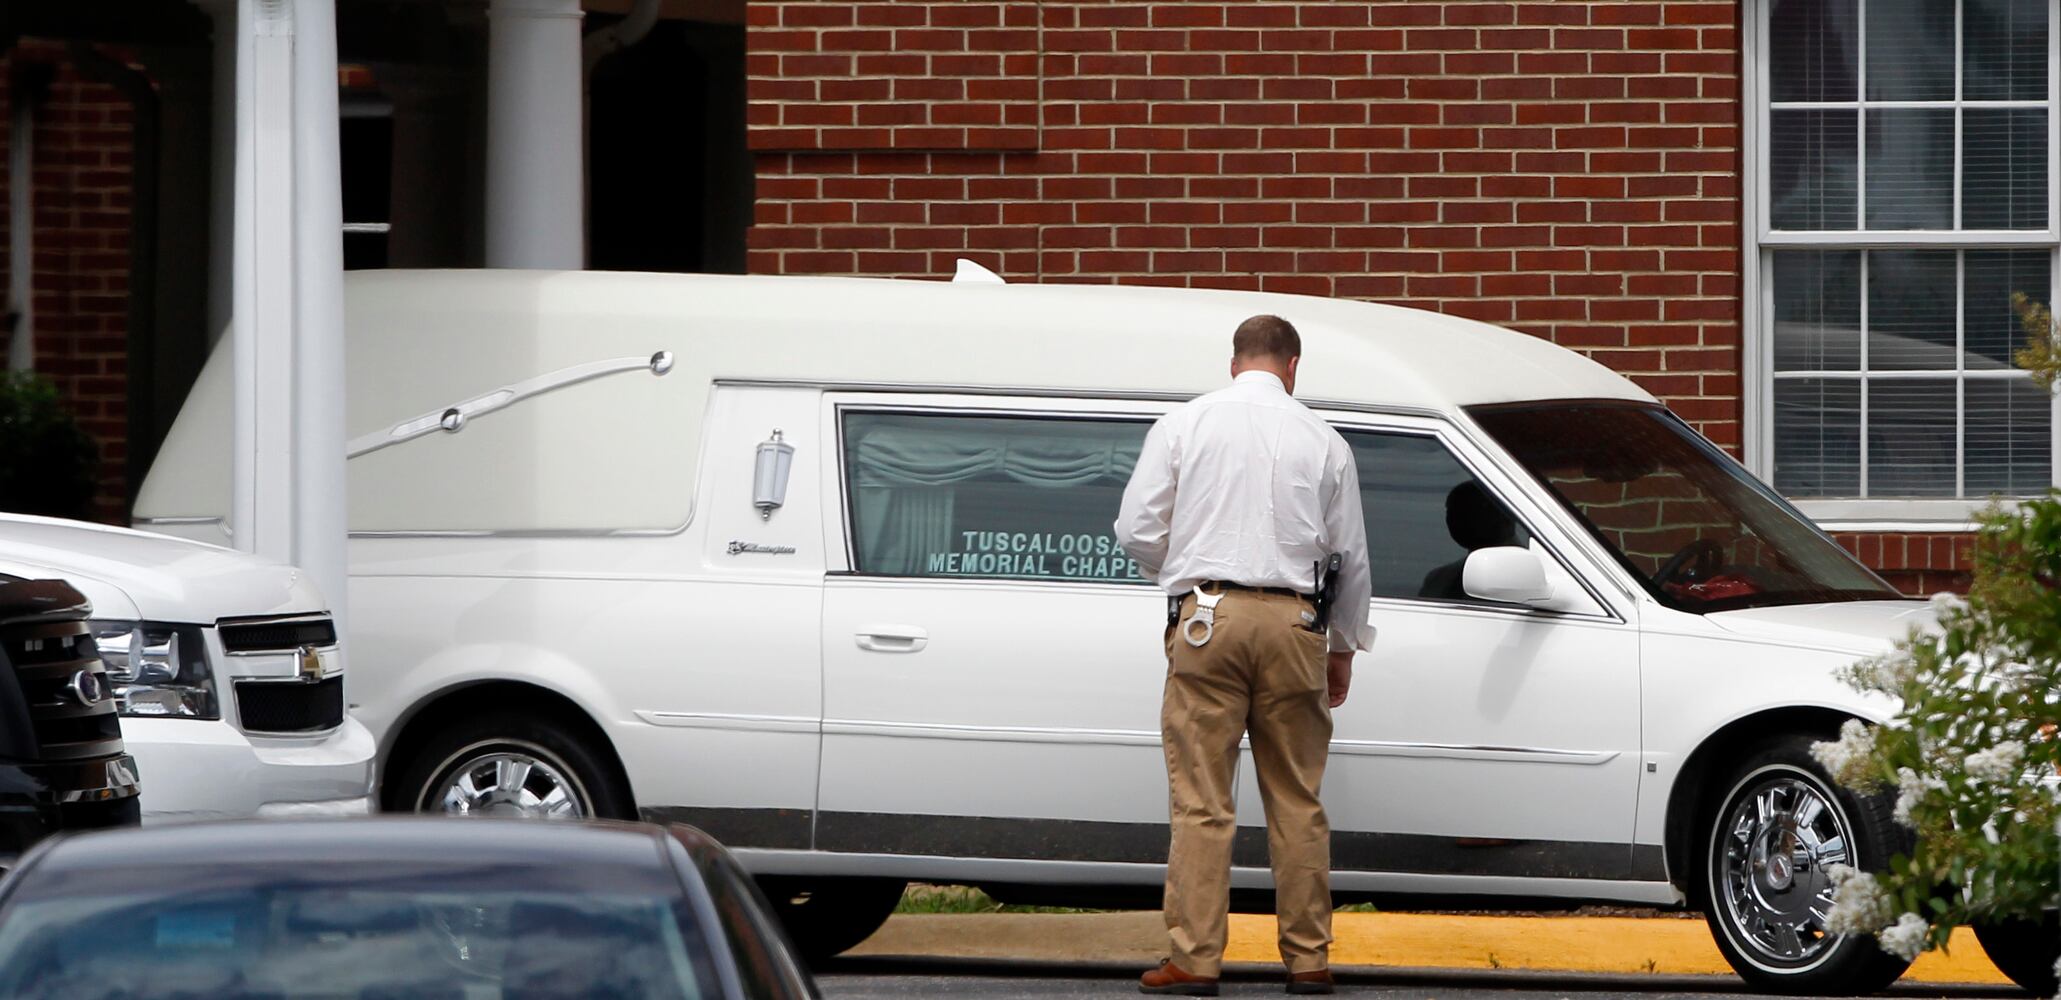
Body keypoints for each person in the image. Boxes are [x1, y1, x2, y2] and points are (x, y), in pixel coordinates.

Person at [1115, 314, 1375, 997]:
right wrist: (1343, 647)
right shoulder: (1324, 439)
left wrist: (1183, 571)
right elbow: (1350, 555)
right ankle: (1308, 959)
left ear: (1234, 364)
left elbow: (1136, 528)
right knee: (1296, 798)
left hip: (1208, 620)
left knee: (1203, 799)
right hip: (1296, 622)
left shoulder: (1185, 424)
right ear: (1293, 367)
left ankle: (1194, 960)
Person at [1418, 481, 1523, 600]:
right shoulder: (1439, 580)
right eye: (1453, 512)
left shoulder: (1528, 578)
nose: (1458, 521)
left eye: (1472, 510)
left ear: (1505, 517)